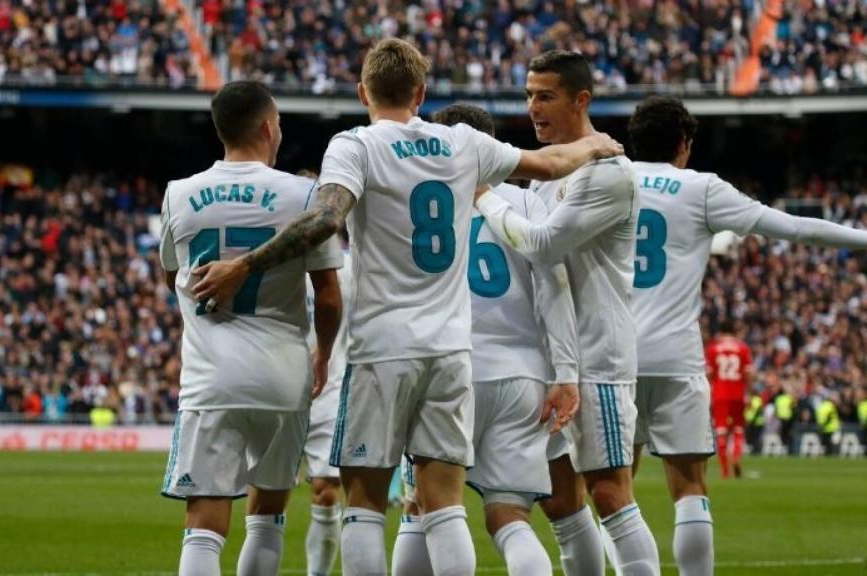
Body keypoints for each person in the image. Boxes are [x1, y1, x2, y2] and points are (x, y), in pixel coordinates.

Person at [190, 38, 622, 576]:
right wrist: (597, 145)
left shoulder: (355, 145)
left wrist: (244, 265)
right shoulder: (462, 142)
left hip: (382, 349)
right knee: (445, 506)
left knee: (366, 504)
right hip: (449, 352)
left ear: (363, 91)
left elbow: (326, 219)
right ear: (420, 92)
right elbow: (551, 162)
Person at [625, 94, 867, 576]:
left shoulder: (606, 180)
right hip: (676, 358)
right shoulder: (702, 189)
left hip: (612, 358)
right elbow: (797, 228)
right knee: (689, 485)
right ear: (684, 145)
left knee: (615, 489)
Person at [472, 50, 658, 575]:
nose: (533, 107)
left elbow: (543, 246)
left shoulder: (607, 173)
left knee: (609, 492)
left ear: (581, 100)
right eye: (529, 95)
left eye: (546, 95)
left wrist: (486, 196)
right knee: (560, 501)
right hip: (556, 357)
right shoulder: (551, 170)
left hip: (598, 355)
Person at [158, 80, 343, 576]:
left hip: (212, 377)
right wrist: (323, 353)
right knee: (267, 517)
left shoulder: (179, 194)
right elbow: (327, 294)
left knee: (204, 522)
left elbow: (172, 273)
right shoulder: (304, 194)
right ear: (267, 127)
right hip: (284, 376)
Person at [390, 103, 580, 576]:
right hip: (522, 375)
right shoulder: (528, 203)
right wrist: (567, 373)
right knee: (511, 518)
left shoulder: (422, 204)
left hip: (448, 370)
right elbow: (555, 288)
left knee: (424, 508)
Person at [302, 227, 351, 576]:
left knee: (327, 491)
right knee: (265, 497)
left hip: (329, 390)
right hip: (278, 388)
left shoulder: (348, 268)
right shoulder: (272, 265)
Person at [705, 324, 754, 478]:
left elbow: (708, 373)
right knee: (738, 429)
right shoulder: (742, 348)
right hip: (738, 393)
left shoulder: (713, 348)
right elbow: (749, 373)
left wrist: (710, 391)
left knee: (721, 431)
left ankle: (725, 470)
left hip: (720, 393)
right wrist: (749, 392)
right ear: (735, 331)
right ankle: (737, 457)